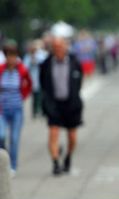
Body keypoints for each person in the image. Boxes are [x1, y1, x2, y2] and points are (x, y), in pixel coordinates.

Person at [40, 37, 84, 175]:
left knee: (72, 137)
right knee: (53, 133)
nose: (58, 50)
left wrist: (75, 97)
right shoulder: (47, 63)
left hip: (71, 104)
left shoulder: (74, 62)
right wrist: (47, 101)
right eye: (55, 47)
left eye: (60, 47)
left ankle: (68, 157)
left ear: (66, 47)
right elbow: (43, 82)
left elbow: (79, 81)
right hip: (54, 104)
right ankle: (55, 163)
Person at [0, 41, 32, 176]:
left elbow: (29, 84)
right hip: (2, 109)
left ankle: (12, 165)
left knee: (14, 138)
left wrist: (23, 96)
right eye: (8, 56)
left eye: (13, 56)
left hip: (17, 108)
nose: (11, 59)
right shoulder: (1, 69)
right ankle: (3, 159)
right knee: (1, 136)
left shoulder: (22, 70)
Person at [23, 39, 48, 118]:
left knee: (41, 96)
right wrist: (31, 61)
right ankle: (34, 111)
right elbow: (25, 67)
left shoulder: (41, 54)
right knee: (34, 97)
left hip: (41, 79)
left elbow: (44, 63)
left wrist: (36, 60)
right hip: (32, 79)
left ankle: (40, 110)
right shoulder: (28, 56)